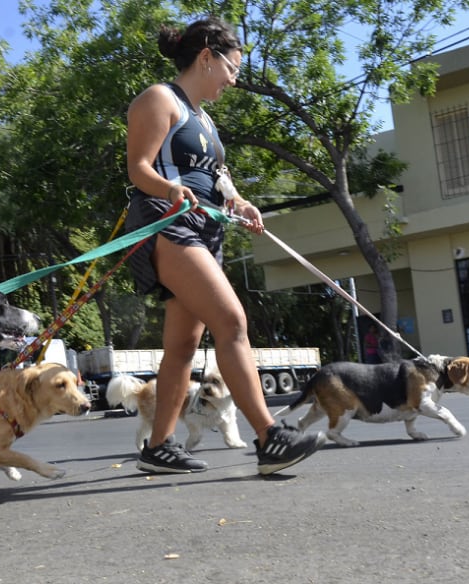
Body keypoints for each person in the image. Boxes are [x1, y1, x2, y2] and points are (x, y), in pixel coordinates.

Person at [123, 17, 325, 475]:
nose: (235, 78)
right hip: (169, 225)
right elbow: (138, 169)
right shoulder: (160, 99)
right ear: (207, 56)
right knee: (232, 320)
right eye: (232, 67)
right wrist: (170, 190)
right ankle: (269, 435)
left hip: (205, 231)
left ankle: (158, 448)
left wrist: (237, 200)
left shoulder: (204, 119)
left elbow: (216, 174)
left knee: (181, 348)